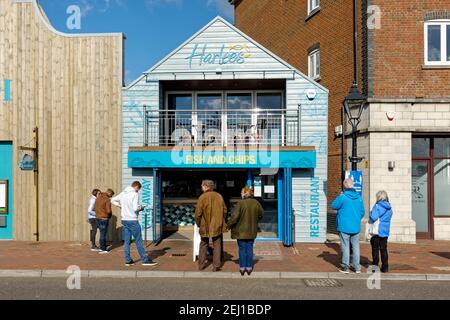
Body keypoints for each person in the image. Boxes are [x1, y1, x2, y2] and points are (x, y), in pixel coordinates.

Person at [112, 181, 157, 266]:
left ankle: (128, 260)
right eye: (138, 189)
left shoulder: (123, 193)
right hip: (132, 220)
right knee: (138, 240)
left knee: (127, 241)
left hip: (124, 220)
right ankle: (144, 260)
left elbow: (112, 200)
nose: (138, 191)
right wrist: (141, 207)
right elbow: (135, 208)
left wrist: (120, 205)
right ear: (136, 187)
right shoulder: (135, 194)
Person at [227, 186, 264, 276]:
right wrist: (255, 220)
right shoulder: (256, 203)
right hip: (251, 230)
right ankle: (249, 267)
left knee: (242, 249)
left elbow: (234, 217)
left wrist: (228, 225)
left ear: (245, 193)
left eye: (242, 192)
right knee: (249, 248)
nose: (241, 194)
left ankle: (242, 268)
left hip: (240, 231)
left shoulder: (240, 203)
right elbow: (261, 214)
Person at [331, 178, 365, 274]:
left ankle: (345, 267)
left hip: (344, 225)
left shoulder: (343, 197)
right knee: (356, 246)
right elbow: (362, 212)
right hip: (355, 226)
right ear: (352, 185)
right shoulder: (359, 197)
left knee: (345, 246)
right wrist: (357, 218)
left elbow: (333, 205)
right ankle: (357, 267)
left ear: (345, 186)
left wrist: (340, 196)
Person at [195, 180, 227, 272]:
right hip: (217, 224)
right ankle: (216, 265)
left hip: (205, 224)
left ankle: (201, 265)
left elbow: (198, 214)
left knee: (203, 244)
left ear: (206, 186)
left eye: (202, 186)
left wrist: (198, 223)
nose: (201, 187)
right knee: (217, 244)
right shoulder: (219, 196)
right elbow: (225, 210)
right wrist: (221, 220)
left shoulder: (202, 197)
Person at [369, 190, 393, 273]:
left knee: (375, 249)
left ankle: (375, 267)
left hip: (377, 231)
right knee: (384, 249)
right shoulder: (389, 207)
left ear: (378, 197)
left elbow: (373, 217)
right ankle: (385, 267)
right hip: (385, 231)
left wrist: (371, 212)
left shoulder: (377, 206)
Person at [94, 188, 115, 254]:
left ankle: (101, 247)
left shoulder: (98, 197)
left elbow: (94, 208)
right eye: (111, 195)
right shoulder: (107, 199)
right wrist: (110, 215)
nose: (111, 197)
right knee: (103, 234)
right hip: (104, 218)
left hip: (97, 218)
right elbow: (108, 211)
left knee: (101, 233)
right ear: (109, 194)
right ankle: (103, 249)